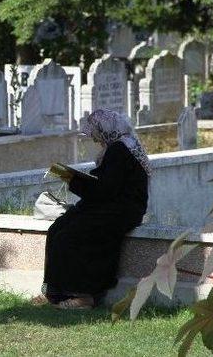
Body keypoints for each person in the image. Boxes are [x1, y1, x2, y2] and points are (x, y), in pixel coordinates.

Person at [41, 109, 150, 309]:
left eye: (96, 136)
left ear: (105, 130)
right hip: (110, 205)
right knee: (57, 228)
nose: (96, 141)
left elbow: (106, 189)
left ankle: (84, 296)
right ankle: (55, 293)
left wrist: (74, 181)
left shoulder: (120, 149)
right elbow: (106, 185)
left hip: (121, 210)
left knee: (73, 235)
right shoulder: (121, 146)